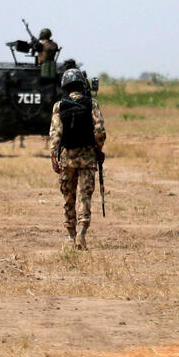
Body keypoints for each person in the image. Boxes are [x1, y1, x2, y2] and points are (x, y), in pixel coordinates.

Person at [50, 68, 105, 250]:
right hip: (88, 158)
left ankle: (70, 235)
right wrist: (99, 150)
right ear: (82, 85)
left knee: (68, 197)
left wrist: (53, 155)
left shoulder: (59, 106)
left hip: (67, 159)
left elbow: (56, 134)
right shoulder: (92, 104)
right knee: (85, 196)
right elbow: (99, 132)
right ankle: (82, 231)